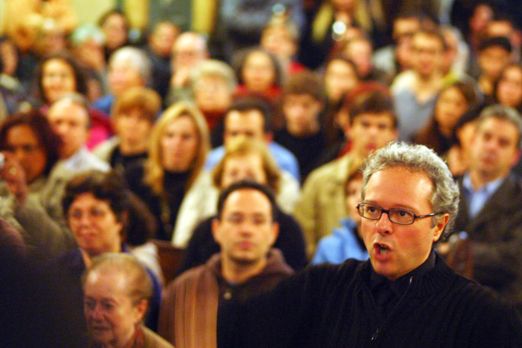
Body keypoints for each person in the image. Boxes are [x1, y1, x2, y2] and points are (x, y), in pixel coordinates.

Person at [218, 142, 522, 347]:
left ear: (438, 225)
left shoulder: (484, 316)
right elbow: (232, 329)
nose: (382, 226)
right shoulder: (320, 288)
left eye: (402, 214)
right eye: (373, 210)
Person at [159, 181, 294, 348]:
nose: (246, 230)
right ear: (216, 229)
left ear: (274, 232)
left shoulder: (293, 294)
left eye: (258, 221)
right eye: (236, 219)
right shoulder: (183, 290)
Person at [55, 171, 162, 337]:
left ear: (120, 219)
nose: (84, 223)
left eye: (96, 213)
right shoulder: (55, 273)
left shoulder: (142, 279)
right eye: (76, 214)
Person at [295, 89, 397, 257]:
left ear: (394, 134)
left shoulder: (402, 186)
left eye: (381, 126)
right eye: (365, 125)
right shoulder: (319, 180)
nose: (372, 133)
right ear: (349, 128)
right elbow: (303, 242)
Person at [179, 137, 306, 273]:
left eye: (250, 175)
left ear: (267, 180)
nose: (241, 181)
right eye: (233, 174)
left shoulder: (289, 230)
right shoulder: (205, 231)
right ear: (221, 181)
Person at [454, 105, 522, 313]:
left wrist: (455, 251)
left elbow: (513, 259)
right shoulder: (442, 187)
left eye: (503, 143)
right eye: (487, 137)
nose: (492, 147)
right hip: (442, 307)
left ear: (515, 156)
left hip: (500, 310)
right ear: (472, 141)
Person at [125, 101, 214, 246]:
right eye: (169, 136)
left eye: (186, 137)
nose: (176, 143)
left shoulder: (207, 185)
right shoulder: (135, 176)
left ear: (199, 143)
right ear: (159, 139)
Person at [0, 110, 75, 258]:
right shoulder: (2, 185)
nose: (19, 157)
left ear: (46, 148)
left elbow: (63, 246)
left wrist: (22, 198)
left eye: (27, 148)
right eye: (11, 149)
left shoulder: (65, 183)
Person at [83, 253, 173, 348]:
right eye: (90, 304)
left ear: (139, 310)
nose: (96, 316)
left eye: (108, 306)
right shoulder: (75, 340)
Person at [205, 96, 300, 182]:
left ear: (267, 138)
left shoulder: (284, 163)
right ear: (225, 137)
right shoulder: (213, 161)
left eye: (249, 134)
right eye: (234, 134)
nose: (241, 140)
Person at [392, 29, 447, 141]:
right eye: (420, 51)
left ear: (442, 56)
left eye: (431, 52)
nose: (425, 58)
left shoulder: (450, 92)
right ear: (411, 54)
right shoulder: (398, 89)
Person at [274, 71, 328, 182]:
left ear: (319, 105)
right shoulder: (275, 139)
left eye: (306, 105)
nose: (298, 113)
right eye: (292, 104)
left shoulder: (329, 140)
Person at [94, 87, 161, 175]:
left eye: (141, 118)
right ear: (116, 119)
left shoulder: (158, 162)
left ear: (152, 125)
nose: (133, 123)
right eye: (127, 116)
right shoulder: (102, 154)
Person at [311, 168, 368, 265]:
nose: (358, 199)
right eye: (352, 192)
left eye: (364, 192)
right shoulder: (328, 247)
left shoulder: (390, 246)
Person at [47, 94, 110, 173]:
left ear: (87, 134)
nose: (63, 130)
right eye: (57, 122)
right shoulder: (36, 165)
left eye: (73, 124)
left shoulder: (98, 173)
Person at [93, 46, 151, 116]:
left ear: (141, 78)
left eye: (124, 71)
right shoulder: (99, 110)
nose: (116, 78)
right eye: (112, 71)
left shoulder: (151, 109)